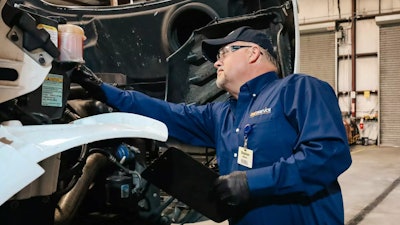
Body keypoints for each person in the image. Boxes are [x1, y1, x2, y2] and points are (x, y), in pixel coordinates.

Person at [71, 26, 352, 225]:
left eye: (224, 52)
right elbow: (168, 113)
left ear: (253, 53)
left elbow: (328, 155)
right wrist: (104, 91)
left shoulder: (299, 88)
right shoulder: (222, 114)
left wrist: (252, 182)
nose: (216, 62)